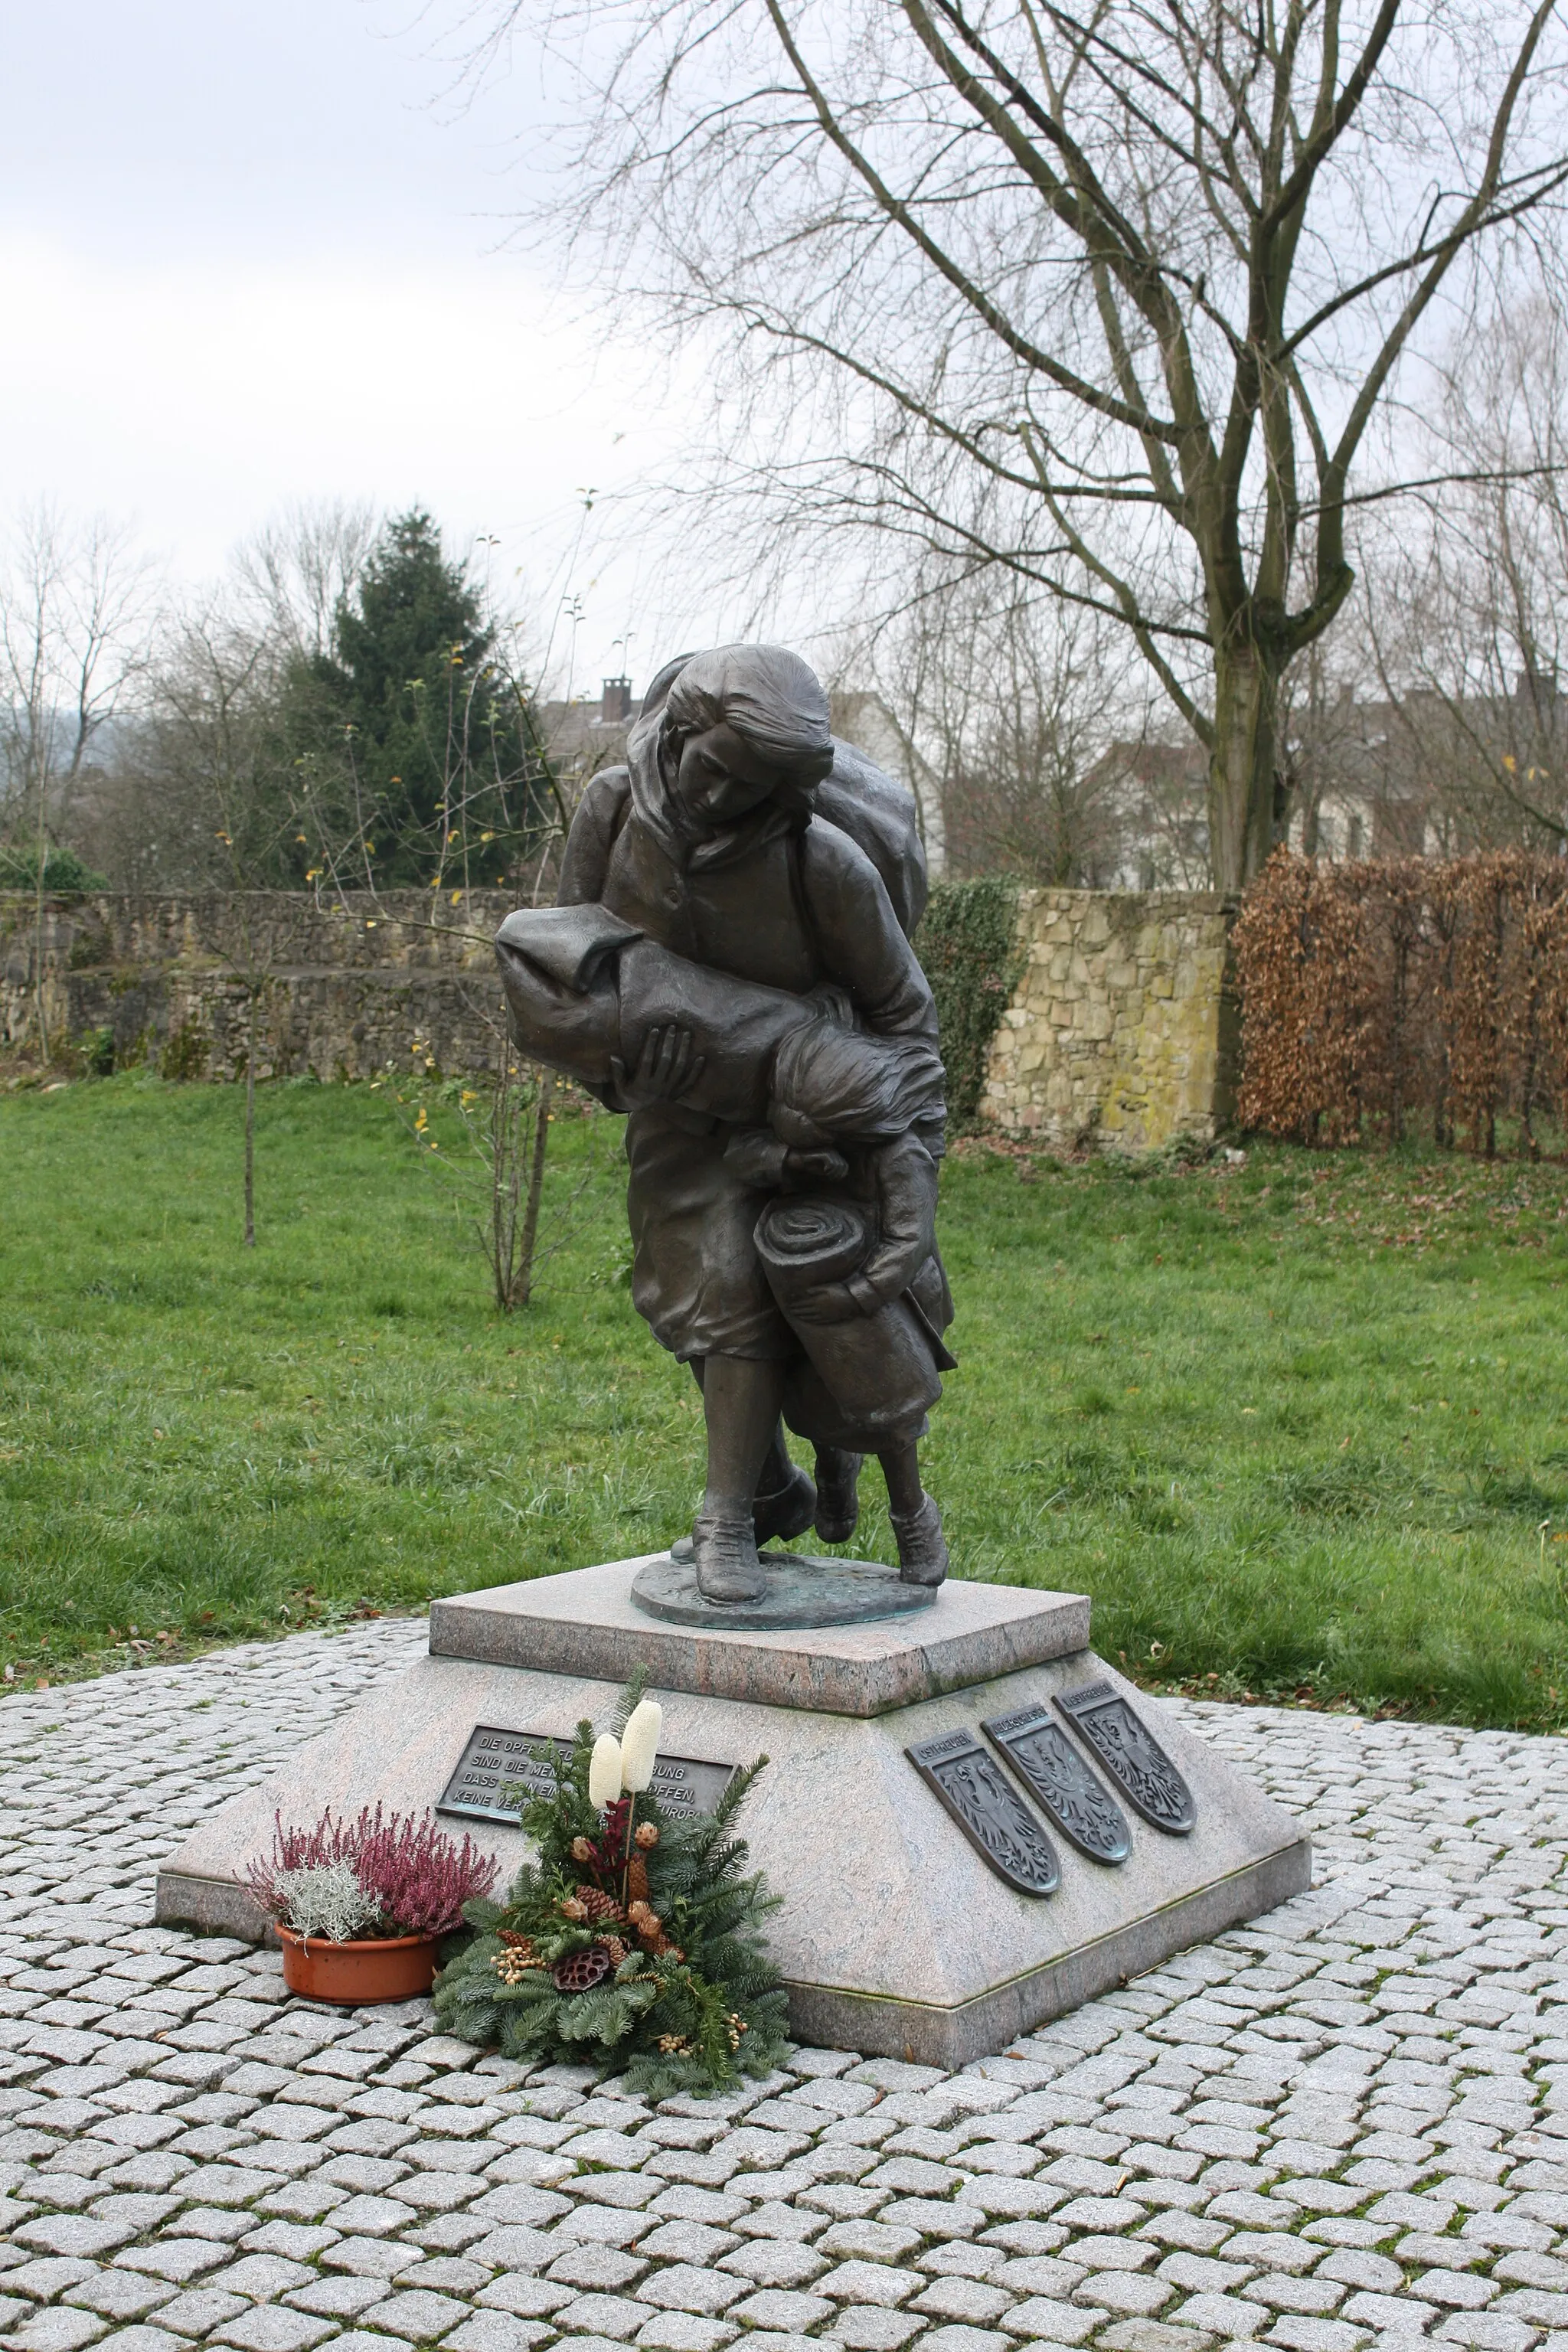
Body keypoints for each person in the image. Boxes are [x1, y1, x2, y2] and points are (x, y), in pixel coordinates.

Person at [544, 643, 952, 1604]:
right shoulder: (611, 811)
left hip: (813, 1098)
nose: (720, 797)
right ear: (680, 733)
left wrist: (905, 1153)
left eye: (752, 785)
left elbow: (909, 1019)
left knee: (739, 1288)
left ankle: (729, 1513)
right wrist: (619, 1075)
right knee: (694, 1313)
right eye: (711, 766)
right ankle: (772, 1488)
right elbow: (571, 971)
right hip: (677, 1112)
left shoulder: (821, 861)